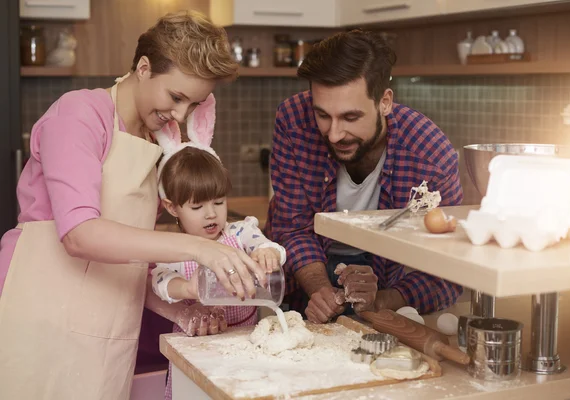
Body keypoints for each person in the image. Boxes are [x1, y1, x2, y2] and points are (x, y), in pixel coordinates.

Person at [0, 10, 265, 400]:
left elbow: (131, 255)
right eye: (175, 97)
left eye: (193, 104)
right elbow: (80, 235)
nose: (179, 115)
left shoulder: (162, 144)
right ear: (143, 67)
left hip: (108, 321)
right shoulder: (79, 115)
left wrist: (178, 311)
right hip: (40, 310)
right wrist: (199, 247)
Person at [265, 29, 464, 324]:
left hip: (386, 286)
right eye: (322, 115)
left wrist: (384, 298)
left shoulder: (429, 154)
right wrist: (320, 289)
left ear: (384, 102)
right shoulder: (293, 121)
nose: (333, 134)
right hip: (303, 275)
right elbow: (291, 228)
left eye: (350, 117)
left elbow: (448, 272)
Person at [148, 110, 286, 400]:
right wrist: (187, 288)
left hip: (244, 342)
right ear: (173, 208)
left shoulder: (239, 234)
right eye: (197, 207)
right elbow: (159, 282)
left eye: (219, 202)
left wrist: (268, 254)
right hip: (196, 348)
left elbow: (268, 246)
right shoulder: (173, 248)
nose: (211, 214)